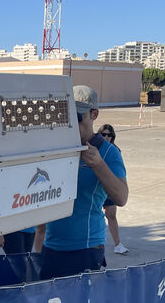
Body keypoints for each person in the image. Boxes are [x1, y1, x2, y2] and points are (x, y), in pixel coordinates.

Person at [35, 86, 128, 279]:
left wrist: (99, 165)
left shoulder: (109, 153)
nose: (70, 122)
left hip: (85, 248)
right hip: (51, 246)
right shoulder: (56, 150)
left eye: (76, 116)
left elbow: (121, 197)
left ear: (93, 115)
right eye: (65, 115)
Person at [98, 123, 129, 255]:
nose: (106, 137)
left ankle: (117, 244)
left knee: (111, 214)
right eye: (103, 134)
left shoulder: (114, 151)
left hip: (109, 187)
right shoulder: (94, 148)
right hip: (96, 186)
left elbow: (119, 172)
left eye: (109, 135)